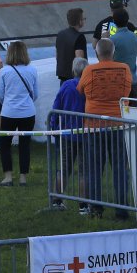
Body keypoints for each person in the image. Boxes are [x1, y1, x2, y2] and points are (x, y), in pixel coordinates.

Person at [79, 38, 133, 218]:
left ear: (96, 53)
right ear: (113, 52)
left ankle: (96, 208)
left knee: (94, 169)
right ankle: (122, 210)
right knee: (120, 168)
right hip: (118, 125)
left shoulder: (89, 70)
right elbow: (128, 91)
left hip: (94, 126)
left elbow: (80, 90)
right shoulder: (125, 68)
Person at [0, 41, 39, 188]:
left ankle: (8, 177)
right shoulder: (32, 70)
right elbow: (35, 94)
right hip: (28, 113)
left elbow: (0, 95)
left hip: (9, 113)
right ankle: (23, 179)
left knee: (5, 145)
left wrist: (8, 103)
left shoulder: (4, 71)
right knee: (25, 145)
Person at [49, 56, 89, 212]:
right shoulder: (89, 86)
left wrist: (54, 128)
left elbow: (55, 108)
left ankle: (57, 201)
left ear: (73, 70)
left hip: (67, 134)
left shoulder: (66, 85)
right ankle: (83, 205)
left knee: (64, 168)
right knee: (84, 171)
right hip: (86, 133)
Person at [107, 7, 137, 99]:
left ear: (114, 22)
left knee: (119, 107)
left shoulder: (112, 39)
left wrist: (105, 39)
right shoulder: (134, 36)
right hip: (133, 80)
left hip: (118, 82)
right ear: (127, 20)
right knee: (132, 107)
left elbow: (104, 56)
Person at [55, 8, 88, 86]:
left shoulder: (60, 34)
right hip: (75, 80)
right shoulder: (79, 37)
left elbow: (57, 56)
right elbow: (79, 62)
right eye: (83, 19)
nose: (84, 20)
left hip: (63, 78)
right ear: (80, 21)